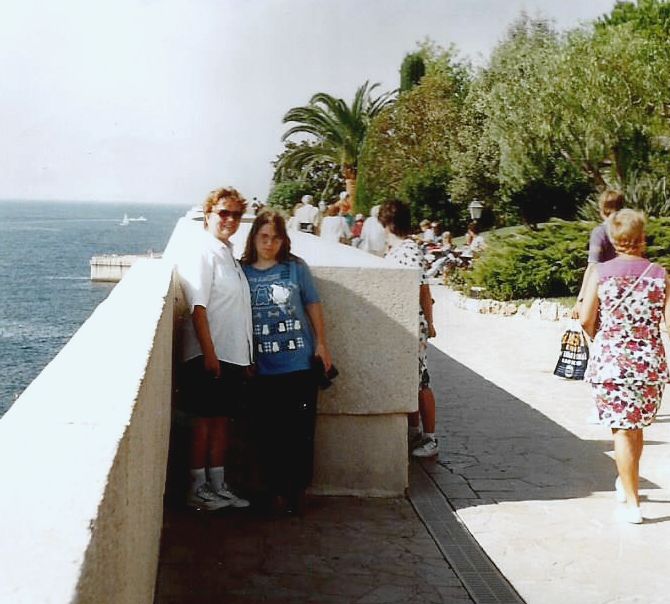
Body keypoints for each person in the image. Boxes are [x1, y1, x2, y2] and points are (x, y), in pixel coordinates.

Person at [580, 209, 670, 524]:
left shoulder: (601, 272)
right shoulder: (659, 274)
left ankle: (632, 503)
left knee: (621, 429)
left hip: (611, 363)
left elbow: (585, 318)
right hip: (649, 363)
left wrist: (604, 339)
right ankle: (627, 481)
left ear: (614, 237)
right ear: (642, 236)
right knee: (637, 426)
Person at [241, 210, 334, 514]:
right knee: (267, 434)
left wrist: (321, 343)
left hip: (298, 364)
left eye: (275, 238)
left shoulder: (295, 268)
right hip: (262, 367)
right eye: (264, 237)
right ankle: (273, 492)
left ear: (284, 240)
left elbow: (312, 304)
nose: (269, 243)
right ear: (254, 237)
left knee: (299, 434)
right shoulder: (242, 272)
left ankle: (296, 491)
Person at [176, 187, 253, 511]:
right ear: (208, 215)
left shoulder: (228, 254)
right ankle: (197, 489)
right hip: (208, 355)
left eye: (236, 214)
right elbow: (198, 307)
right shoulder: (202, 251)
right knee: (204, 421)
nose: (229, 219)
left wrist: (246, 356)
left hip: (231, 355)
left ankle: (218, 486)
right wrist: (209, 354)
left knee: (221, 420)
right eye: (223, 212)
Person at [379, 199, 439, 457]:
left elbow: (423, 290)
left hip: (413, 325)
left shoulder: (408, 250)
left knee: (421, 380)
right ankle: (414, 432)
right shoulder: (397, 250)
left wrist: (430, 323)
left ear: (387, 223)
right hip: (403, 325)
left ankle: (430, 438)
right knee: (410, 380)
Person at [572, 189, 625, 318]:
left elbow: (593, 266)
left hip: (606, 289)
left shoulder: (600, 232)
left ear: (602, 209)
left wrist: (581, 299)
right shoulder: (629, 229)